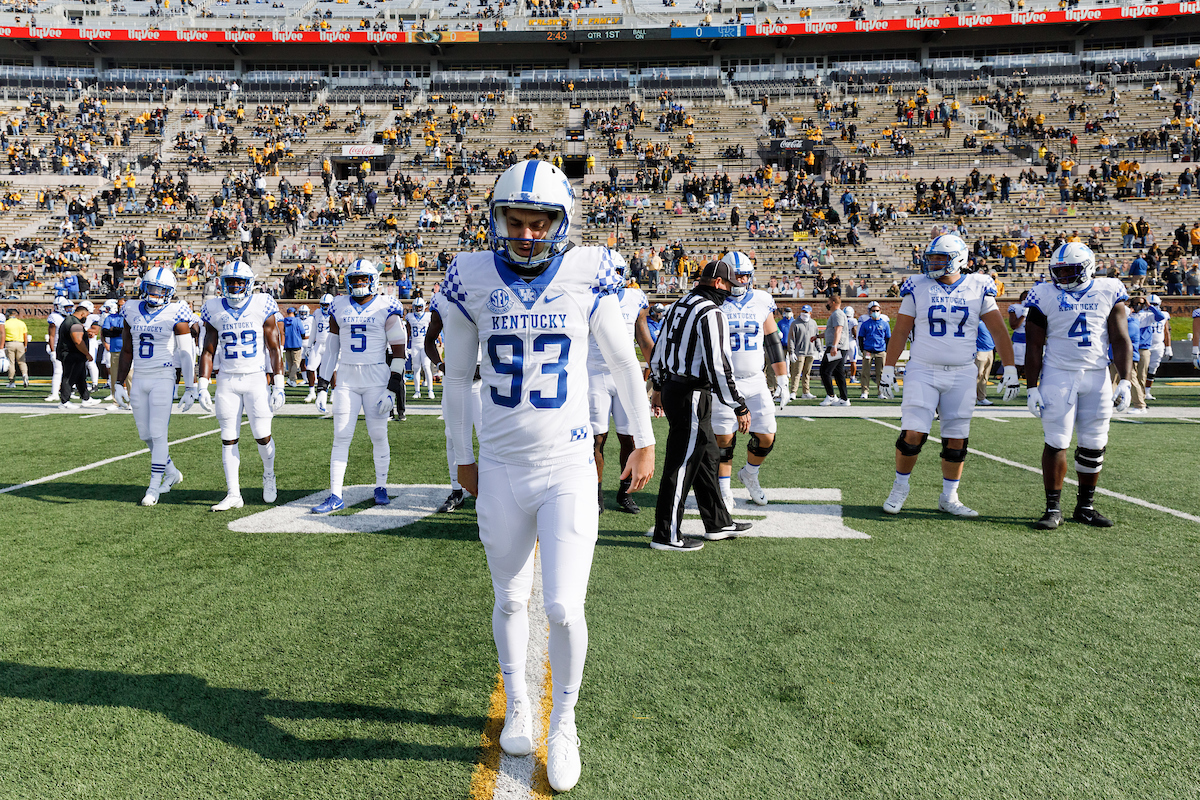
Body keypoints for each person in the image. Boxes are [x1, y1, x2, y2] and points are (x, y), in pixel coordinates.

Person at [439, 160, 655, 793]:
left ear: (562, 224)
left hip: (567, 464)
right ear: (497, 219)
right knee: (509, 597)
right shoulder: (470, 276)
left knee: (562, 605)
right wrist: (461, 455)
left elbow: (621, 360)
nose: (529, 234)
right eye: (517, 221)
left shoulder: (590, 271)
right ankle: (522, 704)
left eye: (540, 223)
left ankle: (564, 723)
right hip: (502, 464)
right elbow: (455, 378)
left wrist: (642, 440)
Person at [879, 233, 1020, 517]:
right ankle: (900, 487)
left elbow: (998, 330)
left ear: (958, 260)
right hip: (922, 370)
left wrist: (1012, 367)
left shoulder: (979, 285)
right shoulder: (917, 286)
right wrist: (888, 367)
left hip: (961, 373)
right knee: (912, 433)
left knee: (956, 438)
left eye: (940, 259)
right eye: (931, 258)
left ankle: (949, 497)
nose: (932, 264)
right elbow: (901, 331)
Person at [1024, 242, 1133, 528]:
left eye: (1070, 270)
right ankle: (1052, 509)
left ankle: (1085, 506)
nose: (1063, 277)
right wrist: (1031, 386)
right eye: (1058, 271)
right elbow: (1034, 345)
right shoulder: (1044, 293)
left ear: (1087, 268)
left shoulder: (1109, 289)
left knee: (1095, 443)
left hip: (1097, 375)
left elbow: (1121, 339)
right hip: (1059, 373)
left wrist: (1126, 380)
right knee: (1057, 440)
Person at [651, 259, 752, 551]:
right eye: (730, 284)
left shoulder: (680, 303)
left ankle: (718, 521)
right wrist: (738, 405)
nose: (732, 290)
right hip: (692, 394)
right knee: (681, 464)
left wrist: (658, 385)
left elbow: (660, 349)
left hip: (674, 387)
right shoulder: (711, 312)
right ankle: (666, 534)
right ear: (719, 283)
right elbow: (719, 365)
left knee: (707, 457)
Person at [311, 259, 407, 514]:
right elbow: (331, 351)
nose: (359, 283)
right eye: (354, 279)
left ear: (373, 280)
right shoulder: (338, 306)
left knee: (378, 435)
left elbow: (399, 351)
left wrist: (392, 388)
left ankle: (381, 486)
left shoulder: (387, 305)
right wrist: (322, 386)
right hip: (346, 380)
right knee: (341, 436)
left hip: (376, 378)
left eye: (363, 279)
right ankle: (335, 494)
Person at [195, 260, 286, 512]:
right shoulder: (213, 307)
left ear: (249, 284)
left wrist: (278, 383)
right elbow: (208, 349)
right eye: (230, 282)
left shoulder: (262, 303)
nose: (234, 286)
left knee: (261, 434)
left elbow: (274, 347)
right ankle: (234, 493)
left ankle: (269, 474)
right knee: (228, 438)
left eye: (239, 282)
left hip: (256, 378)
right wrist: (203, 384)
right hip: (227, 379)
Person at [711, 251, 787, 510]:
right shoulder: (715, 301)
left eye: (746, 275)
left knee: (766, 435)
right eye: (738, 276)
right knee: (724, 440)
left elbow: (772, 341)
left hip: (755, 380)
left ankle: (750, 474)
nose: (742, 281)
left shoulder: (762, 299)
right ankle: (723, 489)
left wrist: (782, 378)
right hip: (724, 380)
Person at [115, 267, 194, 506]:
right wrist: (119, 382)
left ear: (169, 292)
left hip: (163, 376)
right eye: (151, 288)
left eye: (161, 290)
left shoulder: (176, 311)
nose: (155, 293)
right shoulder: (130, 309)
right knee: (145, 435)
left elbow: (186, 351)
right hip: (139, 377)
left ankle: (153, 487)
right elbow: (127, 349)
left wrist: (190, 386)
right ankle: (171, 472)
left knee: (159, 433)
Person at [588, 251, 655, 514]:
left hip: (624, 375)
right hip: (594, 373)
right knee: (596, 439)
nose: (612, 278)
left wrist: (657, 369)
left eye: (617, 272)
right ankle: (596, 495)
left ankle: (624, 492)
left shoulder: (635, 297)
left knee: (630, 438)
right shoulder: (588, 297)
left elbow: (643, 337)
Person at [423, 292, 481, 514]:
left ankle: (490, 490)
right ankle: (457, 490)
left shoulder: (489, 290)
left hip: (484, 380)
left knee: (489, 436)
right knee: (452, 435)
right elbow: (430, 339)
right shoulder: (442, 299)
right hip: (455, 380)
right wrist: (441, 365)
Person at [57, 301, 101, 409]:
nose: (86, 317)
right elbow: (77, 340)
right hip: (71, 354)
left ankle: (86, 398)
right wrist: (87, 353)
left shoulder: (69, 320)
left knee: (80, 377)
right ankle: (64, 401)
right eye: (86, 315)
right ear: (82, 313)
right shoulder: (74, 322)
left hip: (73, 354)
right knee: (69, 377)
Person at [819, 294, 851, 406]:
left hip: (837, 347)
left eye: (828, 302)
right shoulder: (836, 314)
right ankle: (844, 398)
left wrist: (834, 346)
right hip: (840, 347)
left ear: (833, 302)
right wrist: (818, 337)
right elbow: (831, 332)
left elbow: (838, 330)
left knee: (825, 370)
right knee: (838, 373)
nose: (826, 304)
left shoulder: (837, 314)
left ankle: (831, 396)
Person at [857, 301, 890, 399]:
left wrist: (886, 350)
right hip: (868, 351)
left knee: (881, 373)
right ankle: (865, 391)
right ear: (870, 311)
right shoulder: (865, 324)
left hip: (880, 351)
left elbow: (888, 338)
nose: (875, 312)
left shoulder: (884, 324)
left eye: (877, 310)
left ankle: (881, 392)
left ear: (880, 311)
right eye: (873, 310)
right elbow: (860, 337)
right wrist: (862, 349)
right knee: (865, 372)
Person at [306, 293, 334, 404]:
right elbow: (313, 330)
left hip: (331, 345)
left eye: (327, 305)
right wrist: (309, 345)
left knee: (334, 370)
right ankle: (312, 392)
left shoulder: (336, 313)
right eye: (323, 304)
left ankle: (334, 393)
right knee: (310, 367)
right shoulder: (317, 313)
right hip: (318, 345)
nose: (325, 307)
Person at [788, 303, 820, 399]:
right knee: (796, 372)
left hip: (810, 352)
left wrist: (819, 350)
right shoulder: (795, 323)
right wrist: (792, 352)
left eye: (806, 312)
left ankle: (806, 392)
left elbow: (816, 336)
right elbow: (791, 338)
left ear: (810, 313)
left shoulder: (813, 323)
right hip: (799, 352)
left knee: (807, 373)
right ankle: (793, 391)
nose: (804, 313)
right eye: (803, 311)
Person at [1144, 294, 1171, 400]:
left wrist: (1169, 347)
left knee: (1153, 369)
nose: (1153, 306)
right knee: (1140, 370)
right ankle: (1137, 391)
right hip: (1144, 346)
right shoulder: (1142, 315)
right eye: (1151, 304)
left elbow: (1166, 331)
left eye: (1155, 304)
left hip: (1158, 345)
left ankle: (1147, 392)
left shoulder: (1164, 315)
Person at [407, 297, 435, 400]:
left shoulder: (428, 316)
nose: (418, 309)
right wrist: (406, 345)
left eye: (420, 307)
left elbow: (433, 329)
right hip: (415, 344)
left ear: (424, 307)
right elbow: (408, 331)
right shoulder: (410, 317)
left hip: (425, 345)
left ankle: (430, 391)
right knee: (416, 368)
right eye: (416, 307)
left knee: (427, 367)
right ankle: (417, 391)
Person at [44, 296, 69, 402]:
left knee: (68, 371)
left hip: (67, 347)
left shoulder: (66, 317)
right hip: (58, 348)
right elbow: (52, 335)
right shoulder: (54, 317)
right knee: (58, 371)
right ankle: (54, 393)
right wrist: (53, 351)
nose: (68, 309)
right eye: (66, 307)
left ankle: (67, 392)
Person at [4, 310, 30, 388]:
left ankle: (12, 381)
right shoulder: (21, 323)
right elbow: (25, 336)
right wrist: (25, 346)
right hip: (20, 343)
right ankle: (25, 375)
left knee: (11, 363)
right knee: (22, 362)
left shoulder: (6, 323)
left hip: (9, 343)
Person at [1008, 290, 1029, 380]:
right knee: (1017, 367)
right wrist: (1023, 315)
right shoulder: (1015, 307)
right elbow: (1014, 325)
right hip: (1019, 340)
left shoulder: (1038, 307)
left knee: (1029, 368)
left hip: (1032, 340)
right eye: (1025, 297)